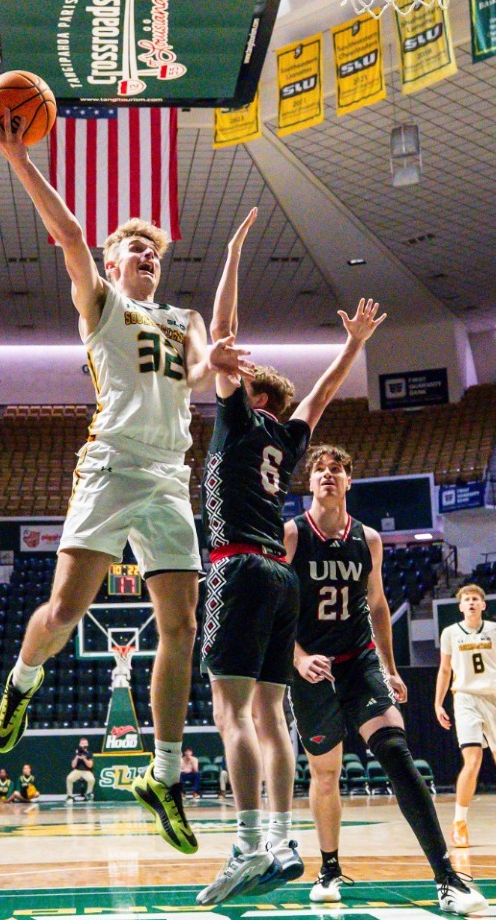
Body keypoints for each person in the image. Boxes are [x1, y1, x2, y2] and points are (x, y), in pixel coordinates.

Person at [0, 106, 251, 858]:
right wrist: (19, 158)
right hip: (110, 463)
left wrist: (215, 361)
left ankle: (163, 776)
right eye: (136, 247)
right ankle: (23, 680)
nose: (148, 255)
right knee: (66, 610)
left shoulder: (184, 317)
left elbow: (201, 374)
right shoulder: (103, 305)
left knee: (181, 626)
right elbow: (69, 235)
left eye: (154, 250)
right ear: (113, 263)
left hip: (168, 474)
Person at [196, 210, 383, 905]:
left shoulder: (241, 420)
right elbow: (325, 393)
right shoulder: (291, 438)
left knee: (230, 711)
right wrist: (352, 344)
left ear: (254, 396)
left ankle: (247, 846)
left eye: (234, 381)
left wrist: (232, 253)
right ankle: (281, 840)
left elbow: (223, 333)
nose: (223, 380)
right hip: (281, 577)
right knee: (271, 715)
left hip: (239, 565)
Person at [288, 445, 479, 912]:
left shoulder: (368, 539)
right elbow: (273, 609)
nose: (328, 475)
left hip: (359, 662)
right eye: (319, 470)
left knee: (396, 752)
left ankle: (447, 877)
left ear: (348, 481)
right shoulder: (292, 534)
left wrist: (390, 668)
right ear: (309, 483)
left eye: (336, 469)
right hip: (312, 669)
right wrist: (298, 658)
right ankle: (329, 866)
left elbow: (376, 605)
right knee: (326, 774)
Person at [437, 583, 496, 846]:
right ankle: (459, 823)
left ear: (483, 605)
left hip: (495, 699)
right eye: (467, 599)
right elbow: (445, 670)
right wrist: (438, 704)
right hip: (466, 698)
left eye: (475, 599)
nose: (471, 602)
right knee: (473, 760)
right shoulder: (450, 633)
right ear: (460, 606)